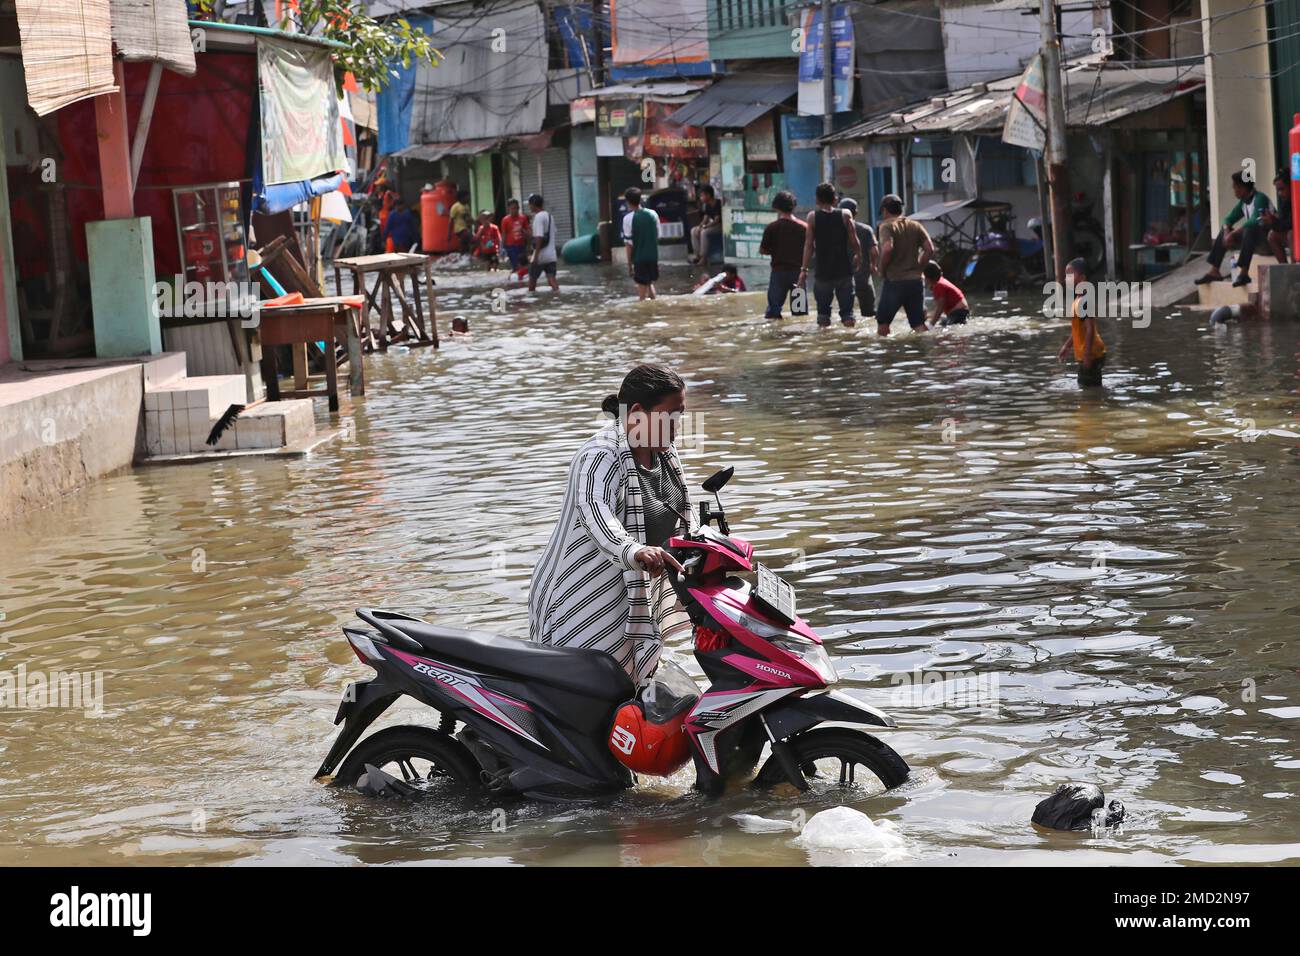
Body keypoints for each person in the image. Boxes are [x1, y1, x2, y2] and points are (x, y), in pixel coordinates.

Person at [529, 364, 696, 685]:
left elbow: (679, 513)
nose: (677, 426)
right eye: (670, 416)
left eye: (681, 415)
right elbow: (595, 511)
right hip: (583, 598)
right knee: (594, 699)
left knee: (632, 698)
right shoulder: (600, 454)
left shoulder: (665, 453)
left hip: (631, 596)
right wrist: (632, 550)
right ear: (636, 412)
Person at [798, 182, 861, 327]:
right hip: (844, 270)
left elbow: (808, 245)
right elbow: (854, 240)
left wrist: (804, 269)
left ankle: (825, 345)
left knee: (823, 317)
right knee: (848, 315)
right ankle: (851, 343)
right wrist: (858, 255)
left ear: (817, 200)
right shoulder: (845, 215)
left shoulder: (812, 217)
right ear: (835, 199)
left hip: (823, 273)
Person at [1195, 171, 1272, 288]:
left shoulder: (1260, 198)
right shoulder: (1244, 202)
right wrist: (1227, 232)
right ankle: (1215, 270)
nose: (1234, 190)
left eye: (1235, 187)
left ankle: (1244, 273)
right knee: (1225, 230)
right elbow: (1228, 219)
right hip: (1254, 243)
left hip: (1268, 243)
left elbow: (1254, 221)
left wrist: (1233, 233)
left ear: (1242, 188)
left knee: (1249, 230)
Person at [875, 193, 935, 335]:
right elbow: (929, 249)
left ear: (885, 210)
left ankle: (887, 356)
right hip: (915, 282)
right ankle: (925, 353)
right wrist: (919, 268)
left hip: (895, 281)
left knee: (883, 324)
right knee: (919, 325)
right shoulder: (915, 225)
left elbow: (887, 249)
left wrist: (882, 270)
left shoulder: (886, 226)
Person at [1056, 257, 1106, 388]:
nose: (1066, 278)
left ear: (1082, 278)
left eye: (1070, 275)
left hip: (1091, 354)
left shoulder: (1084, 301)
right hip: (1090, 353)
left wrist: (1087, 355)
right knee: (1090, 387)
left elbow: (1090, 329)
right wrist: (1067, 346)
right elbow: (1079, 330)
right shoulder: (1078, 299)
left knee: (1088, 390)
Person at [760, 190, 808, 319]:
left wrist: (777, 250)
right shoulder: (804, 228)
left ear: (776, 207)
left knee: (773, 313)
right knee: (800, 314)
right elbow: (811, 249)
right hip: (798, 275)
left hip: (778, 274)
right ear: (794, 206)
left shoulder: (771, 228)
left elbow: (763, 250)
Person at [838, 197, 878, 319]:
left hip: (843, 280)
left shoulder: (837, 231)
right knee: (869, 315)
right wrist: (874, 265)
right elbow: (874, 250)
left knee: (846, 316)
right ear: (856, 212)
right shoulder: (866, 230)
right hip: (863, 278)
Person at [622, 187, 661, 300]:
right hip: (653, 257)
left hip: (639, 259)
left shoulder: (628, 219)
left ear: (628, 202)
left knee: (642, 299)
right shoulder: (653, 214)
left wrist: (629, 264)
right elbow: (658, 236)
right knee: (649, 283)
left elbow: (628, 244)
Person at [527, 193, 559, 292]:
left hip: (540, 256)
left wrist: (535, 256)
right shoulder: (549, 216)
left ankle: (532, 304)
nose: (529, 207)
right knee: (552, 280)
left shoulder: (538, 217)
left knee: (532, 284)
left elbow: (539, 237)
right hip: (551, 256)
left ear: (533, 204)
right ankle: (557, 295)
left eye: (529, 204)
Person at [923, 261, 969, 327]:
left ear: (927, 277)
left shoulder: (938, 285)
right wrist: (929, 316)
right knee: (941, 324)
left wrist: (930, 325)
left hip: (958, 313)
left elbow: (940, 308)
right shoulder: (940, 281)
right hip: (961, 312)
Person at [689, 184, 722, 264]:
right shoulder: (707, 205)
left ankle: (704, 257)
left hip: (719, 226)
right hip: (711, 225)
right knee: (694, 230)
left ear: (708, 195)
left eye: (702, 196)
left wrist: (705, 227)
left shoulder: (718, 203)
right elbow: (705, 218)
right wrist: (700, 226)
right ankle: (697, 255)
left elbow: (717, 220)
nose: (701, 198)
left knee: (704, 232)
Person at [1264, 170, 1292, 264]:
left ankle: (1295, 267)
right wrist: (1272, 220)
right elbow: (1282, 225)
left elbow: (1290, 224)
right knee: (1272, 235)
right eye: (1278, 190)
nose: (1279, 193)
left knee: (1291, 234)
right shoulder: (1286, 202)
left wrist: (1273, 221)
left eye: (1282, 189)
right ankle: (1285, 268)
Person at [501, 197, 531, 273]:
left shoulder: (523, 218)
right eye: (512, 208)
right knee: (516, 265)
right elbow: (504, 234)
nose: (514, 210)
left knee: (524, 265)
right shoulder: (505, 220)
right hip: (511, 247)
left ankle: (520, 280)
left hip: (521, 246)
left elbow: (529, 233)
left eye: (516, 208)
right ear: (508, 209)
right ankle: (515, 281)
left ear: (518, 208)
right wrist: (502, 248)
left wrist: (528, 247)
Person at [448, 188, 474, 254]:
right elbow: (451, 221)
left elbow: (469, 218)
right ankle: (463, 253)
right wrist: (449, 234)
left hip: (466, 228)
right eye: (467, 197)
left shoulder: (466, 206)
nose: (468, 198)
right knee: (469, 237)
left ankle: (464, 255)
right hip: (459, 229)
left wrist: (476, 223)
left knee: (467, 243)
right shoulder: (455, 207)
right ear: (462, 198)